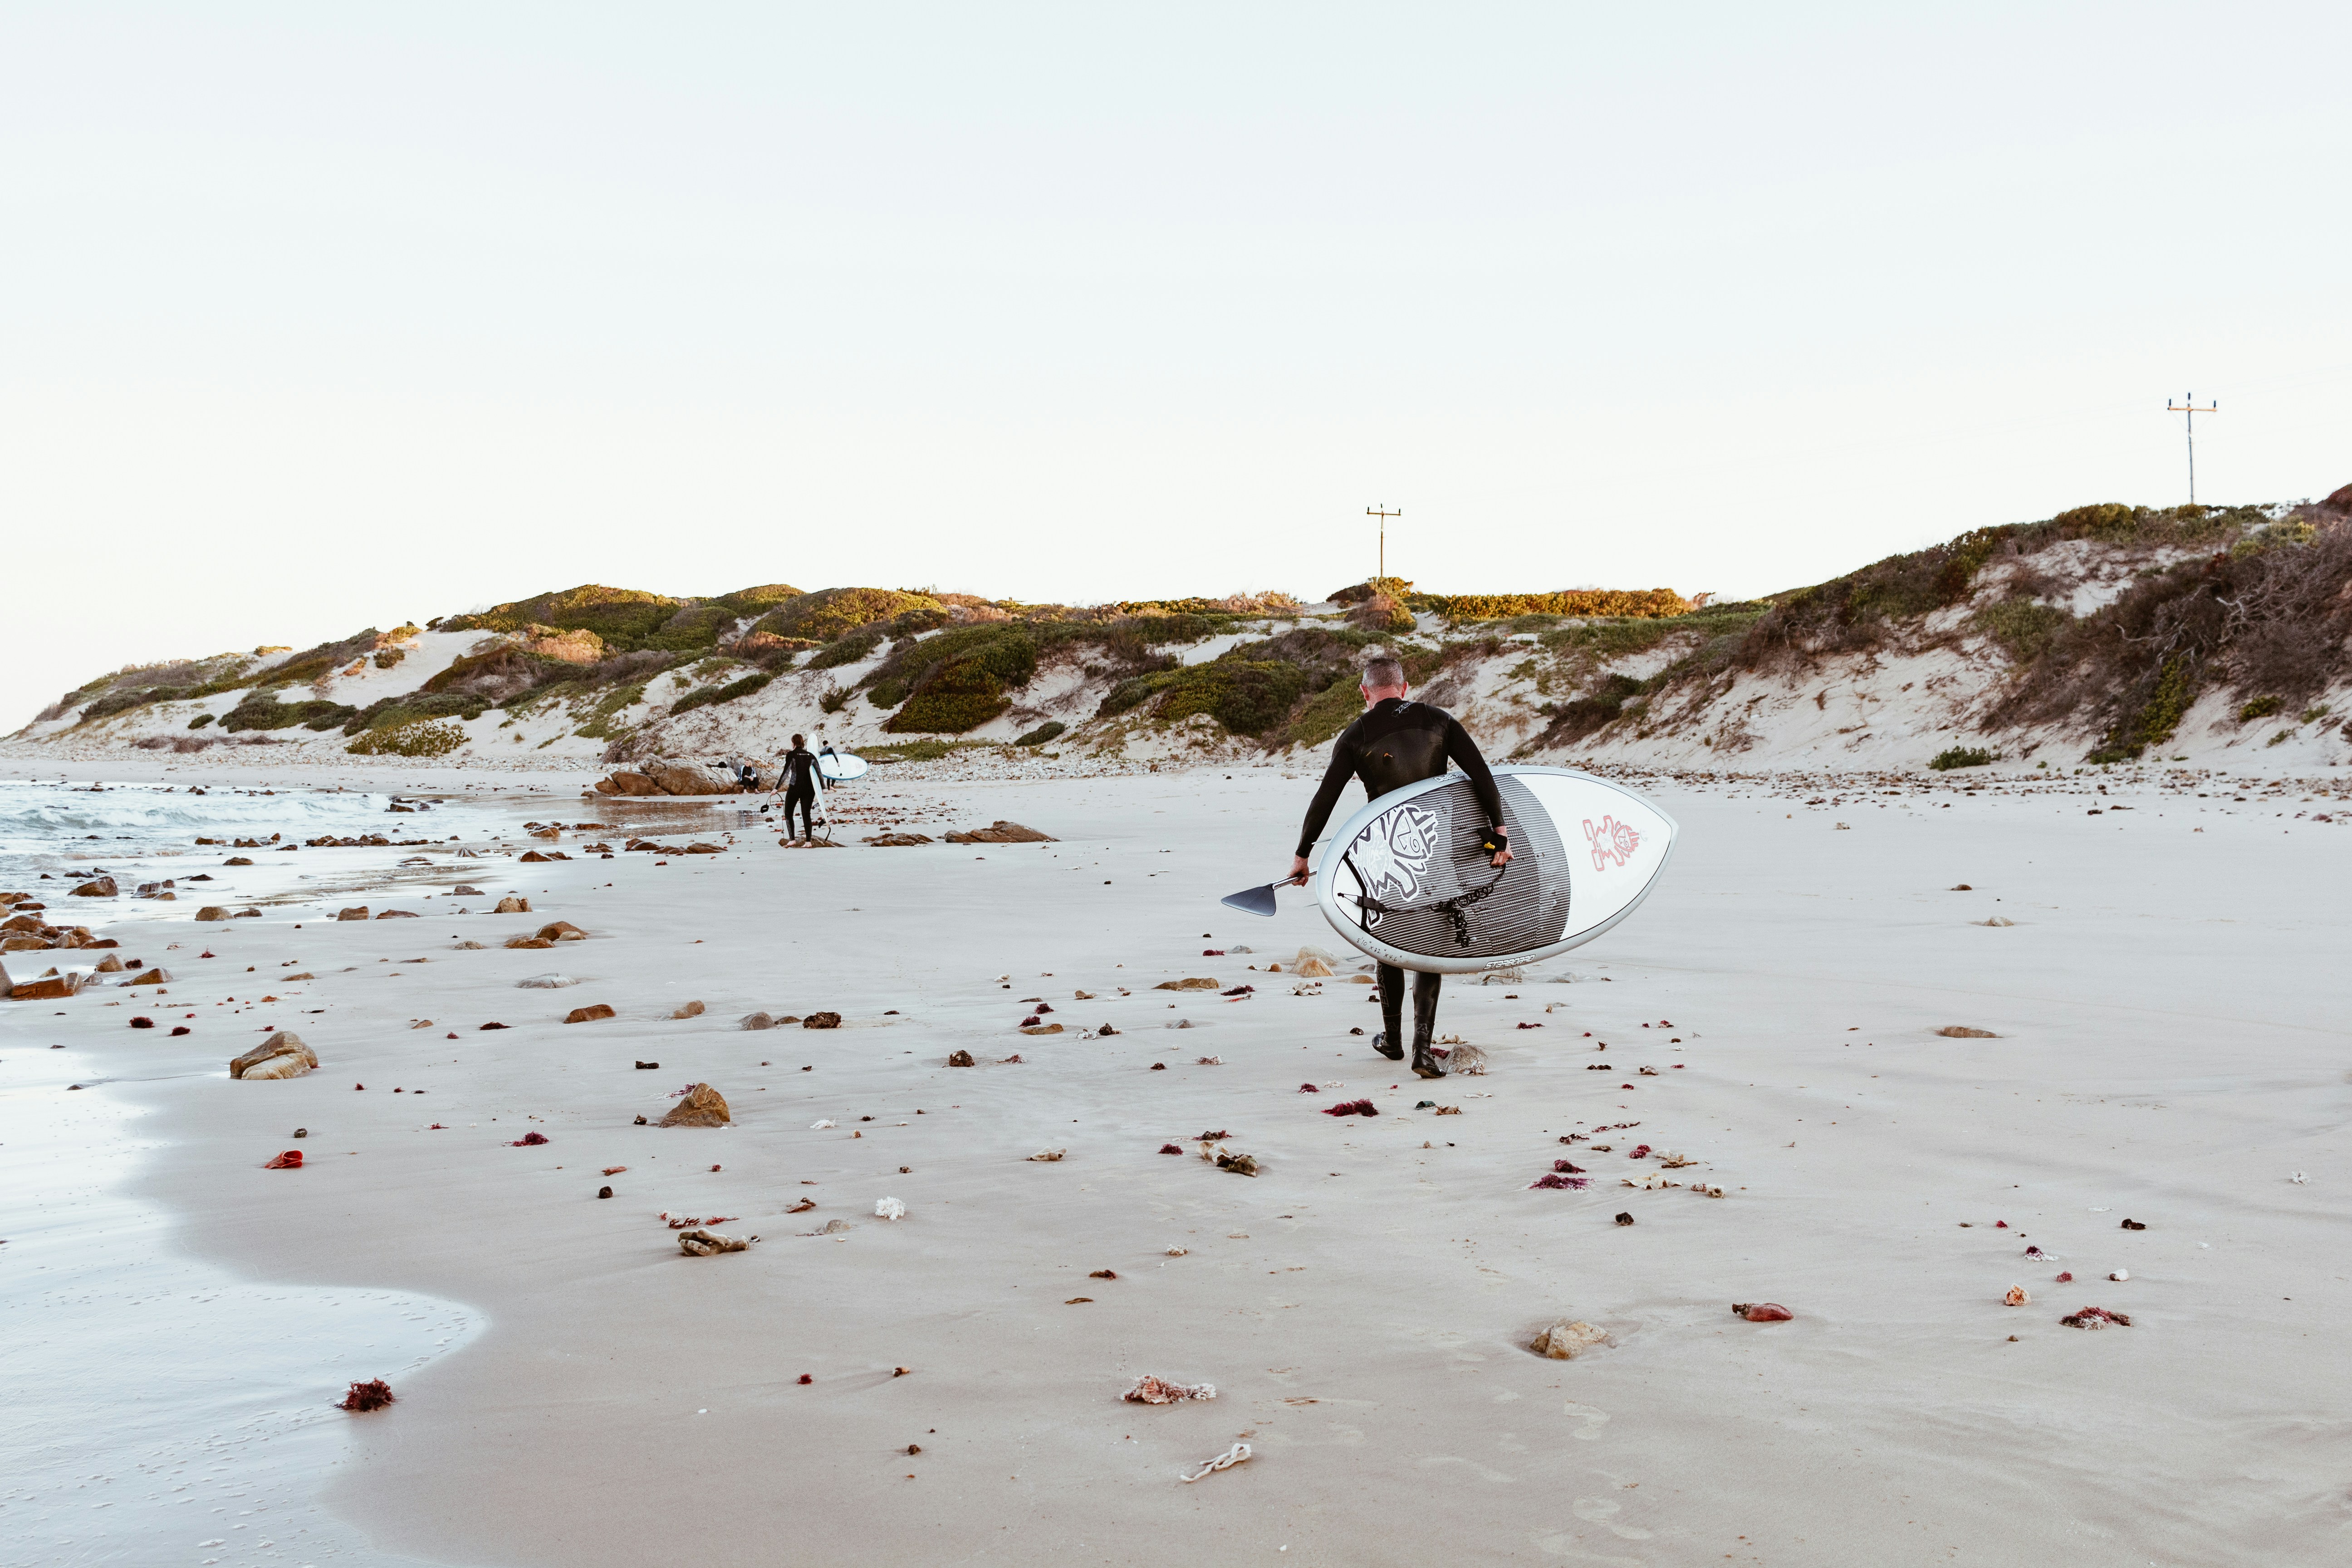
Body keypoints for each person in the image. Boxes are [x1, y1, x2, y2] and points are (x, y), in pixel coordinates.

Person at [1287, 655, 1511, 1079]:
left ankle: (1391, 1040)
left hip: (1386, 852)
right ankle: (1422, 1050)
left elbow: (1326, 798)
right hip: (1438, 847)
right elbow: (1481, 774)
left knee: (1387, 939)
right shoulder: (1438, 720)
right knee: (1430, 944)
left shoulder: (1357, 734)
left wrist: (1303, 855)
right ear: (1405, 688)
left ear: (1365, 692)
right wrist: (1499, 830)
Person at [776, 734, 821, 842]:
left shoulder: (792, 755)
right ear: (802, 743)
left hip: (795, 788)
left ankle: (792, 840)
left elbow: (786, 772)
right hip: (810, 790)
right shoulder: (811, 755)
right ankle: (808, 842)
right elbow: (819, 773)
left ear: (793, 743)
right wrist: (823, 789)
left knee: (788, 814)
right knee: (806, 815)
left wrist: (776, 788)